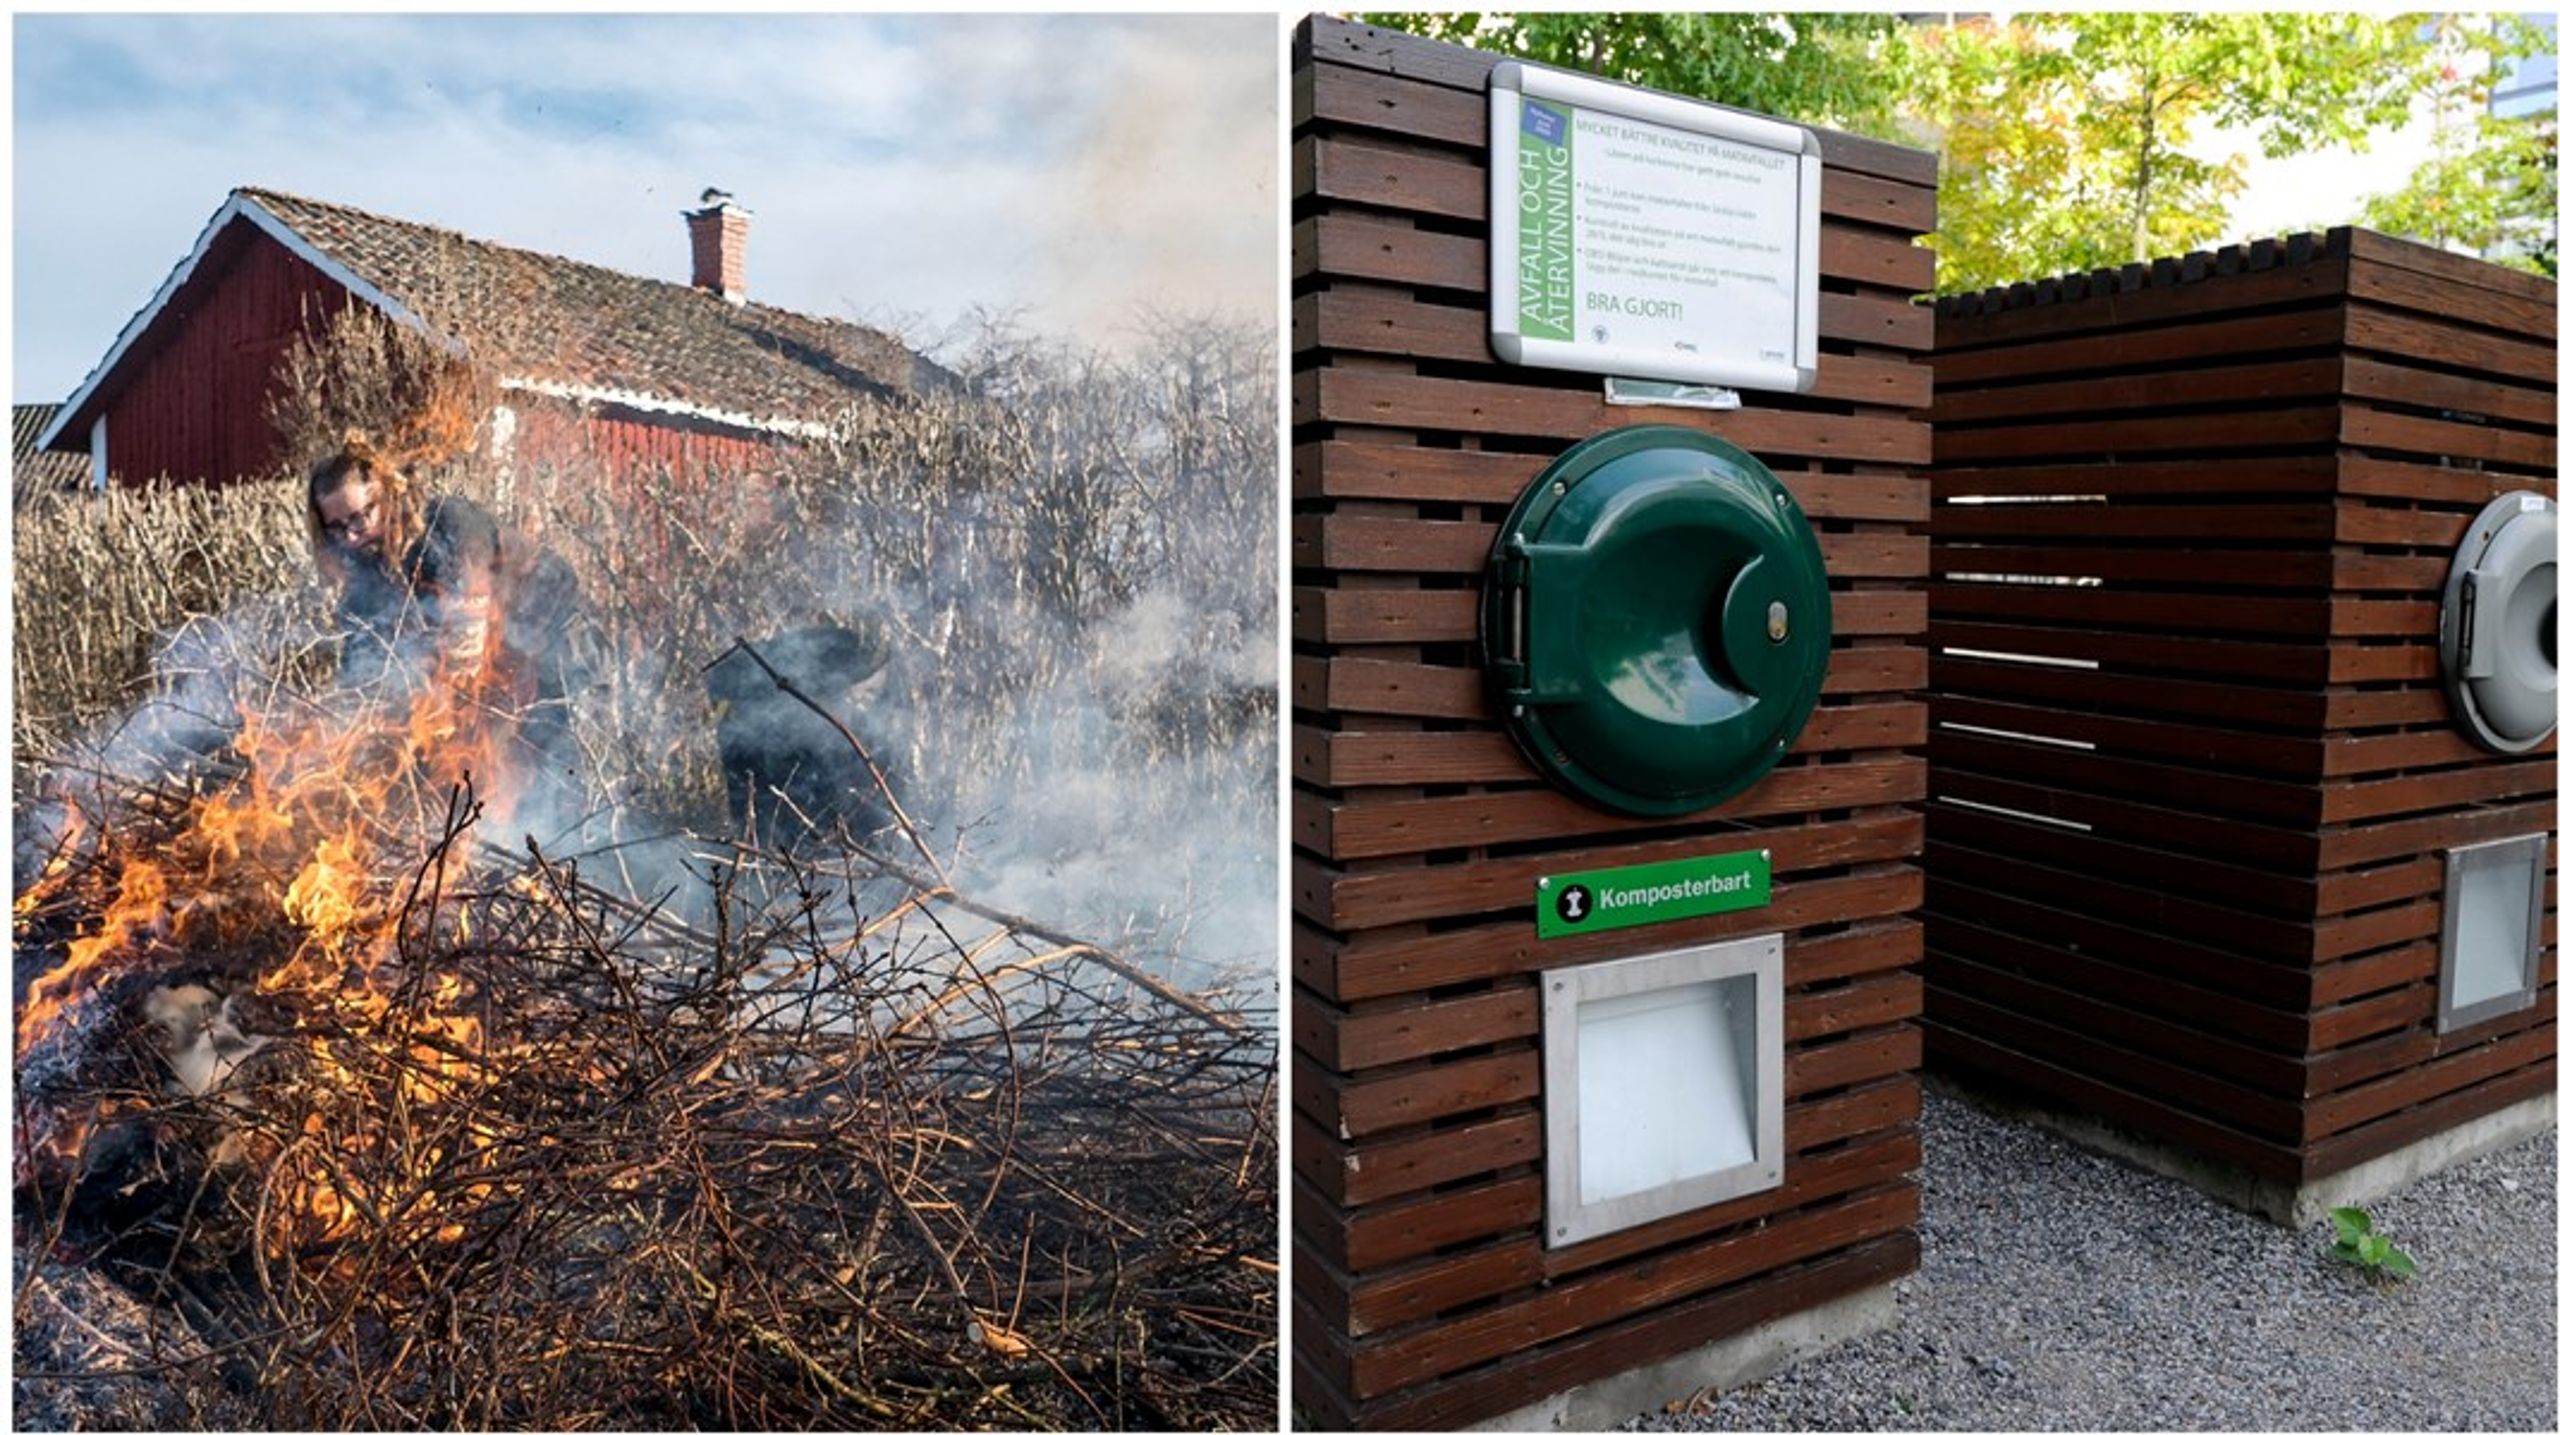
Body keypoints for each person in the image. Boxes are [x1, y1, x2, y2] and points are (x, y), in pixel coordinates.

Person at [305, 441, 598, 797]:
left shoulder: (449, 524)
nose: (350, 537)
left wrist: (434, 708)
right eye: (335, 527)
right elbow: (363, 669)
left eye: (358, 517)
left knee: (542, 760)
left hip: (548, 629)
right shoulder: (365, 578)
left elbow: (466, 645)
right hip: (493, 657)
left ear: (388, 495)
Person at [704, 621, 903, 852]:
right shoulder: (770, 733)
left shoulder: (844, 728)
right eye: (863, 695)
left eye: (872, 695)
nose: (862, 708)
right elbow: (807, 805)